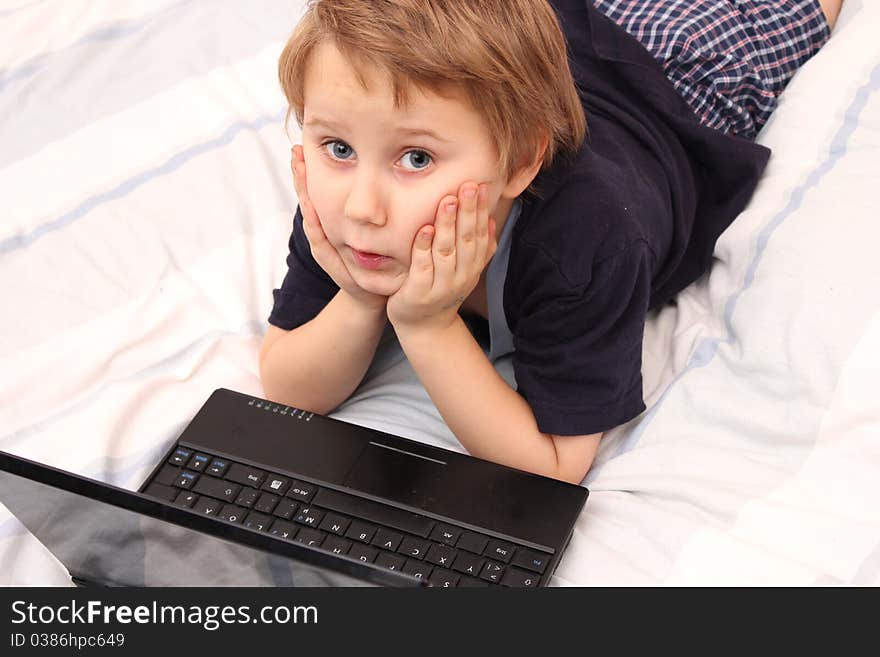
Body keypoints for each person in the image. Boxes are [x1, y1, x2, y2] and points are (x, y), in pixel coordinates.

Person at [259, 0, 841, 483]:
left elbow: (555, 466)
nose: (364, 207)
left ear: (519, 166)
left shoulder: (589, 239)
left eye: (416, 158)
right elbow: (286, 384)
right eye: (337, 147)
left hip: (679, 72)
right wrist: (360, 298)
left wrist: (428, 325)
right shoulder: (349, 209)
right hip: (567, 32)